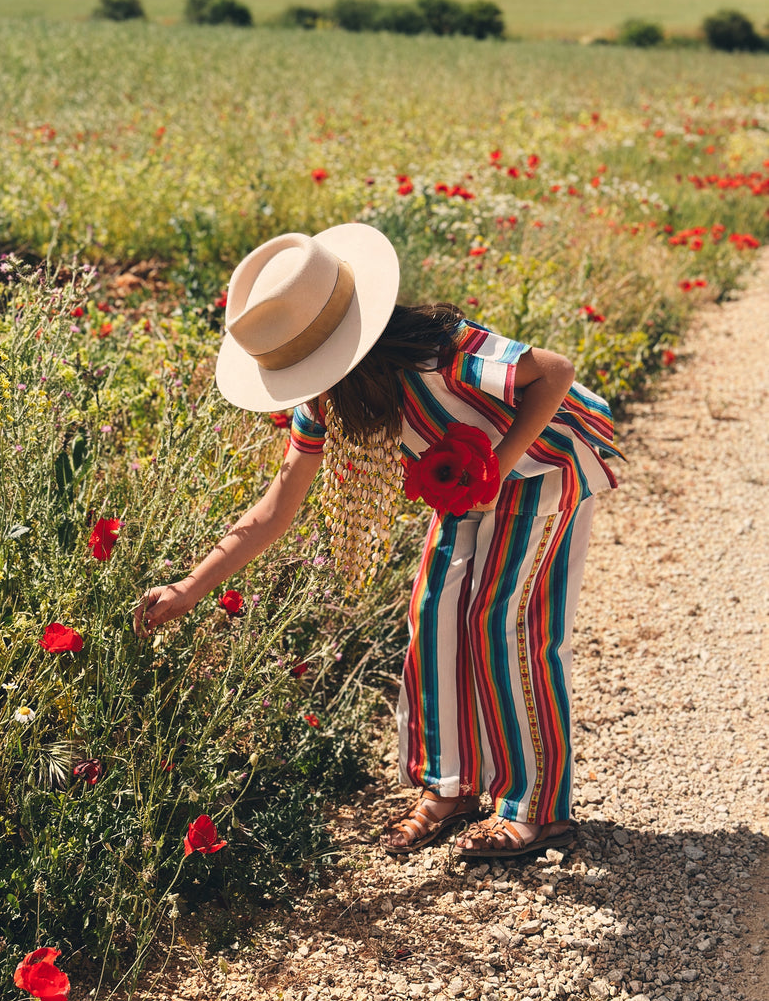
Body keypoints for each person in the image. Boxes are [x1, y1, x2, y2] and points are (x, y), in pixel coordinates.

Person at [134, 224, 623, 859]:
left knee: (502, 622)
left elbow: (554, 373)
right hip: (464, 482)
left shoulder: (441, 350)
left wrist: (498, 466)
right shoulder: (328, 401)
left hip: (541, 466)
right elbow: (278, 505)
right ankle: (451, 785)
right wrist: (189, 587)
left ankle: (536, 808)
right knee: (435, 614)